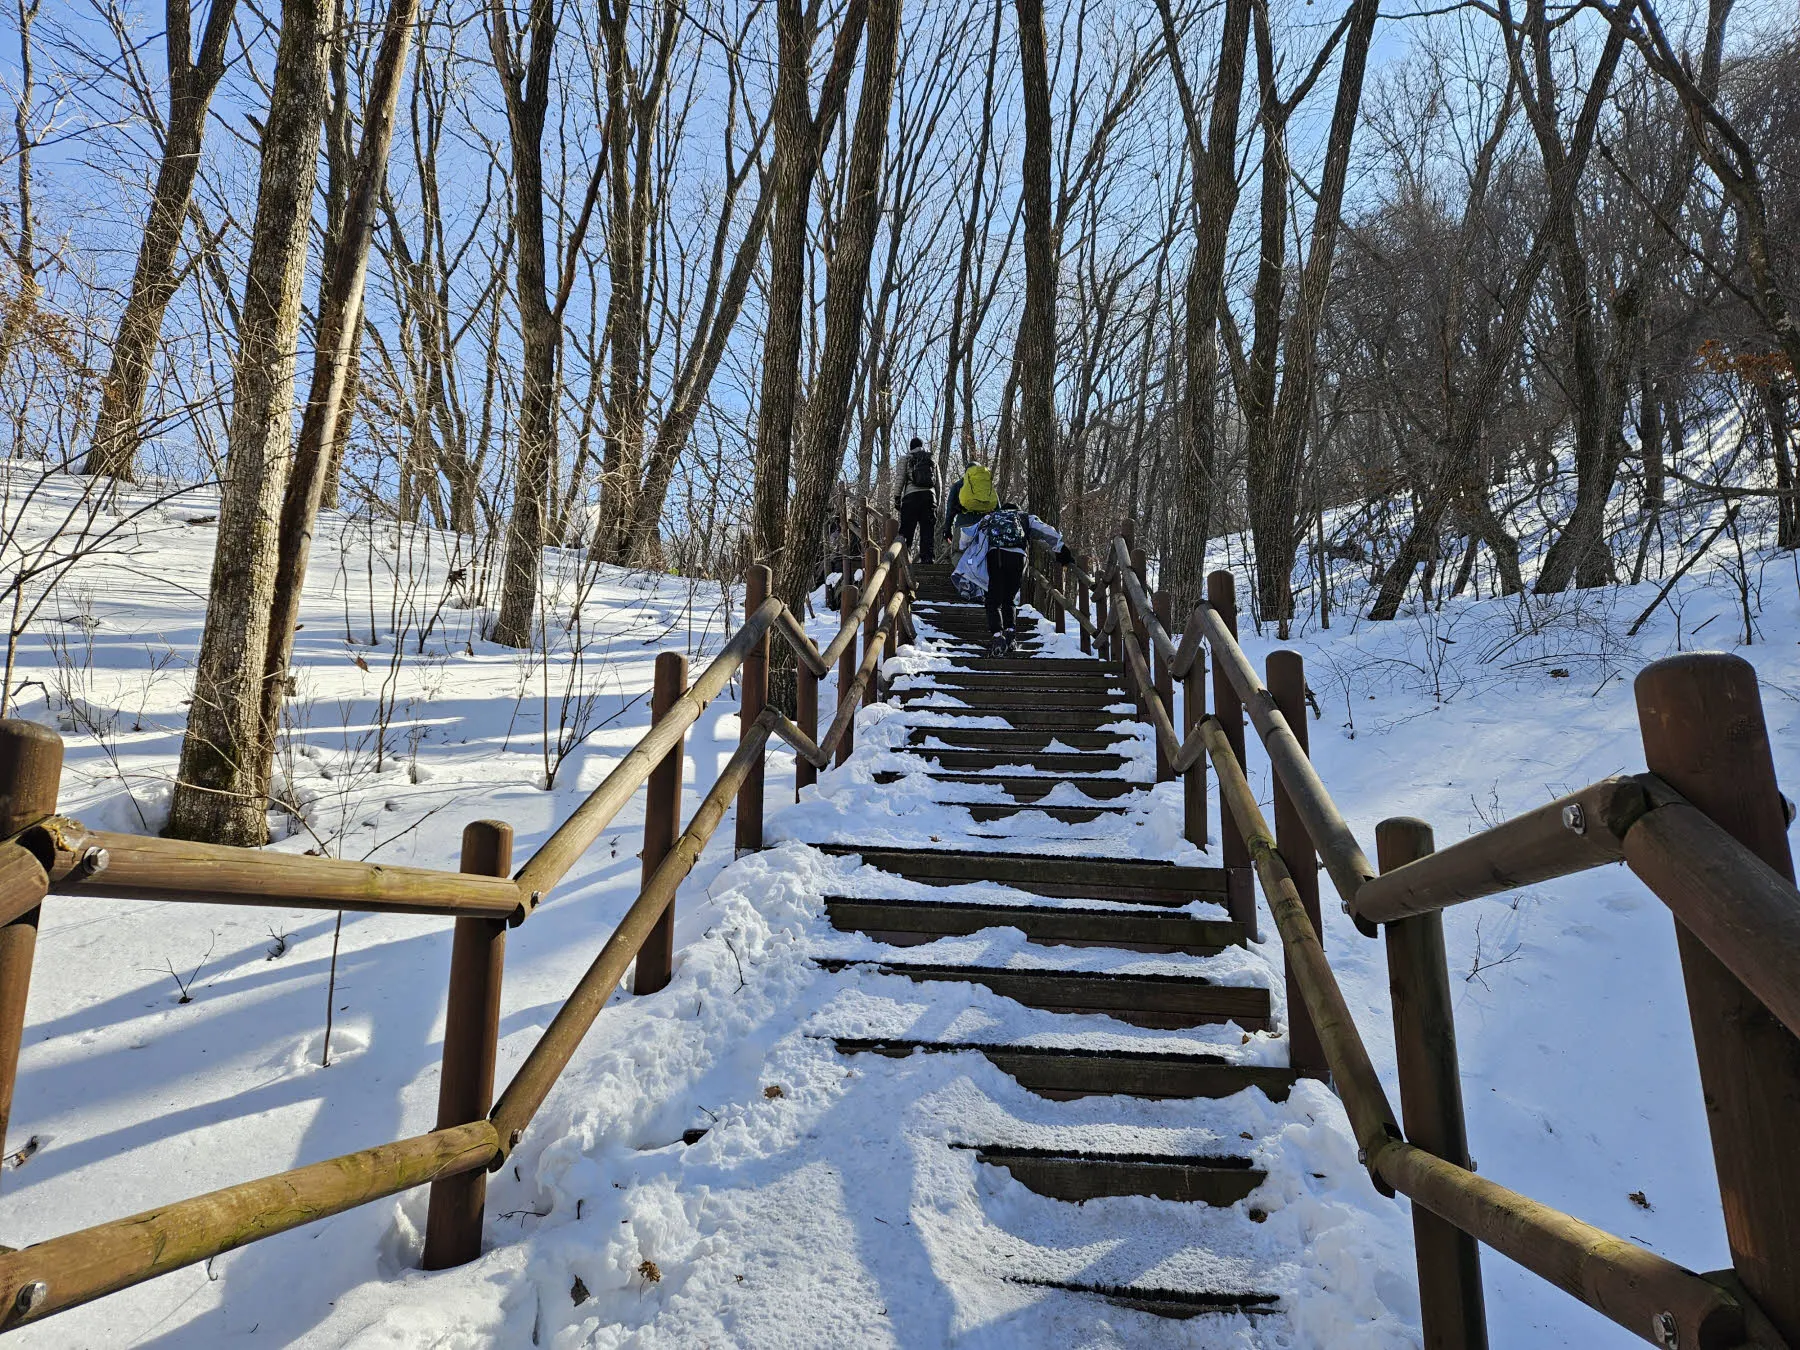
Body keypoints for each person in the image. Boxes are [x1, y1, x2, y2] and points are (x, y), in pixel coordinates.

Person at [953, 500, 1073, 655]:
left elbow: (968, 534)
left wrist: (963, 549)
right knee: (1009, 598)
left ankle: (997, 637)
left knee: (993, 598)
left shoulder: (991, 517)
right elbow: (1046, 531)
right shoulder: (1025, 518)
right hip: (1017, 557)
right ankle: (1010, 634)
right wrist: (1061, 549)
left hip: (995, 556)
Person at [941, 462, 998, 561]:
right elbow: (998, 509)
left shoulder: (958, 485)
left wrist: (947, 530)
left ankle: (960, 575)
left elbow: (950, 510)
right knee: (983, 556)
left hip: (963, 525)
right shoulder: (987, 487)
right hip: (984, 526)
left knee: (959, 555)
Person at [894, 437, 937, 564]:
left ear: (911, 447)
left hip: (911, 498)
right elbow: (937, 482)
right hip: (929, 497)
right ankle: (928, 561)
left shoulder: (906, 458)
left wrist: (897, 498)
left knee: (906, 531)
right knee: (927, 531)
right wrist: (937, 501)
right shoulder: (931, 458)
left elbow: (900, 478)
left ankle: (904, 562)